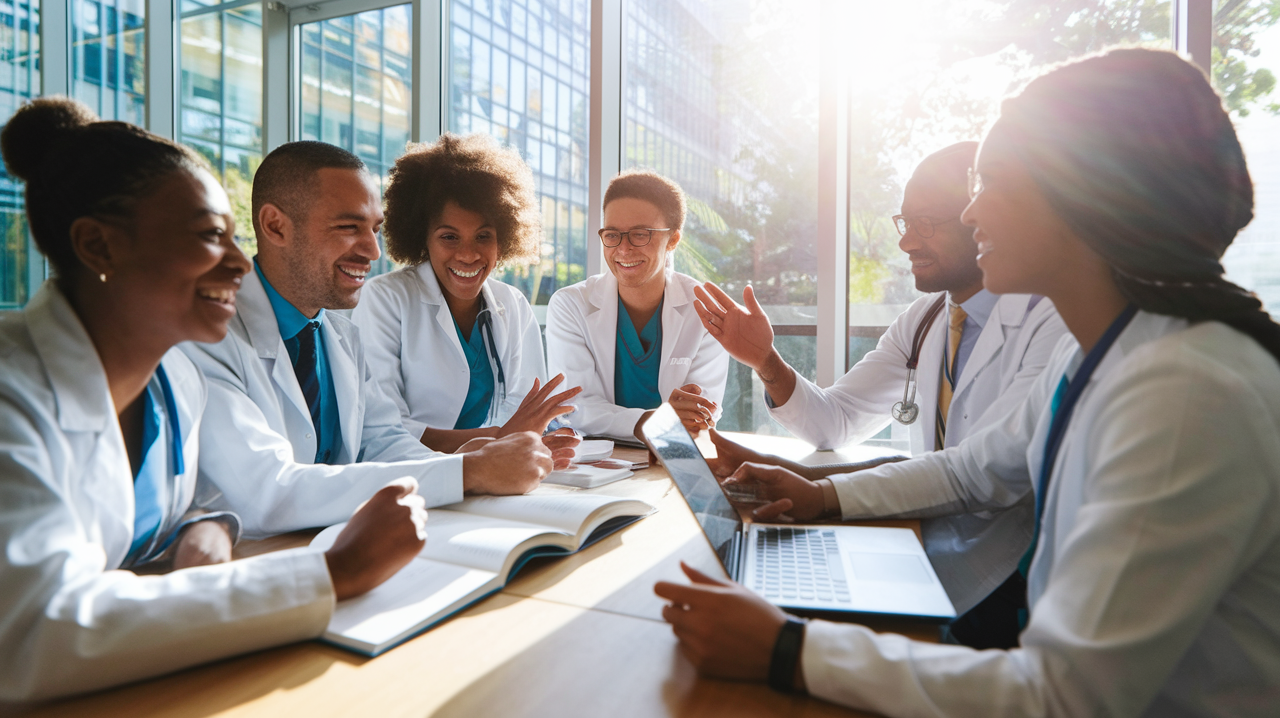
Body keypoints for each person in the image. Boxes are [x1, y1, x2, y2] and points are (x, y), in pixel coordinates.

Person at [655, 48, 1280, 716]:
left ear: (1085, 197)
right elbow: (970, 472)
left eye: (991, 184)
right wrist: (821, 497)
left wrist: (788, 649)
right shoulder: (1111, 354)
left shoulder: (1183, 391)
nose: (974, 213)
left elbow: (1064, 697)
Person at [0, 99, 426, 702]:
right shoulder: (11, 393)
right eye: (208, 236)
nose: (237, 264)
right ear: (98, 247)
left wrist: (207, 525)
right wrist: (332, 573)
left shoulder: (173, 376)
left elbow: (201, 497)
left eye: (231, 238)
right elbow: (32, 634)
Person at [695, 142, 1067, 648]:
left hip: (1008, 577)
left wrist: (822, 493)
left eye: (926, 223)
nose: (906, 242)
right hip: (922, 543)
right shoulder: (927, 318)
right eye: (904, 222)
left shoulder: (1051, 317)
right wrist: (767, 362)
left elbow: (990, 469)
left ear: (984, 218)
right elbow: (835, 421)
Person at [184, 141, 572, 538]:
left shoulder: (339, 335)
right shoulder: (208, 337)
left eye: (374, 229)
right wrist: (471, 469)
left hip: (343, 541)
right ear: (275, 226)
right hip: (259, 557)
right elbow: (264, 493)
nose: (372, 250)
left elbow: (387, 444)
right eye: (349, 227)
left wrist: (478, 461)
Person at [353, 134, 581, 453]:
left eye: (483, 236)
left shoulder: (512, 304)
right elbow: (385, 429)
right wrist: (501, 438)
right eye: (449, 237)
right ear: (423, 237)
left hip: (498, 474)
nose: (468, 254)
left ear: (504, 239)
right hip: (416, 475)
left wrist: (546, 438)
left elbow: (526, 415)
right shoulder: (385, 298)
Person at [545, 170, 730, 438]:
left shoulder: (705, 308)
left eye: (640, 234)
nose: (623, 249)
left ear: (673, 240)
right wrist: (655, 423)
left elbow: (702, 411)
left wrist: (676, 420)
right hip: (592, 457)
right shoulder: (570, 305)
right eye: (612, 235)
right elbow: (574, 407)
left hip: (674, 454)